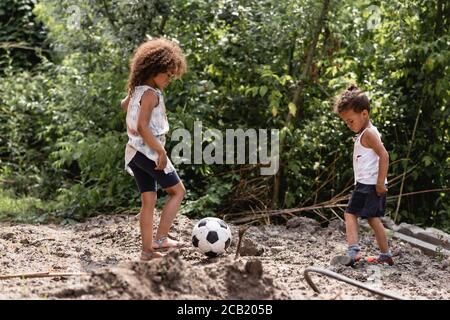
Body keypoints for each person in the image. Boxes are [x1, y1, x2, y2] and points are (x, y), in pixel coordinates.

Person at [121, 37, 187, 261]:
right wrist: (160, 151)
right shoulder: (150, 94)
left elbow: (124, 105)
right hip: (149, 153)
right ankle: (161, 238)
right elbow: (142, 126)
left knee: (148, 200)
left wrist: (133, 109)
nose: (169, 79)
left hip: (134, 154)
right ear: (153, 69)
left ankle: (147, 251)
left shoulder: (137, 91)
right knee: (178, 192)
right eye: (167, 75)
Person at [333, 84, 393, 266]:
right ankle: (385, 255)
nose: (348, 125)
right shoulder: (365, 133)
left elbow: (384, 155)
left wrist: (380, 183)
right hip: (369, 184)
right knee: (373, 219)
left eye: (350, 121)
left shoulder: (368, 134)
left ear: (364, 114)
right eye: (346, 122)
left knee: (350, 214)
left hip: (369, 185)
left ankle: (353, 251)